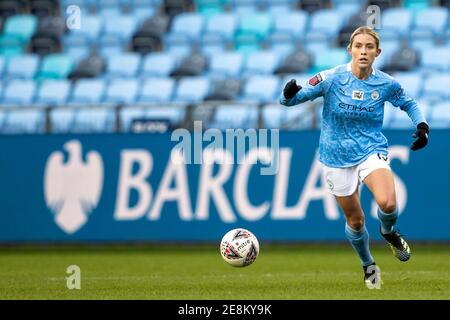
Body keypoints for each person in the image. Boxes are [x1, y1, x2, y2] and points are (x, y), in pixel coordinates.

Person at [279, 26, 429, 289]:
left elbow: (409, 103)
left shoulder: (385, 83)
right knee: (356, 221)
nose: (363, 51)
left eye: (369, 47)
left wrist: (422, 126)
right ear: (350, 49)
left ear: (377, 52)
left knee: (388, 202)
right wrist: (288, 95)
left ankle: (388, 232)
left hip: (370, 150)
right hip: (335, 156)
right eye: (358, 46)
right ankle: (368, 264)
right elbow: (294, 99)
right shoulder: (332, 77)